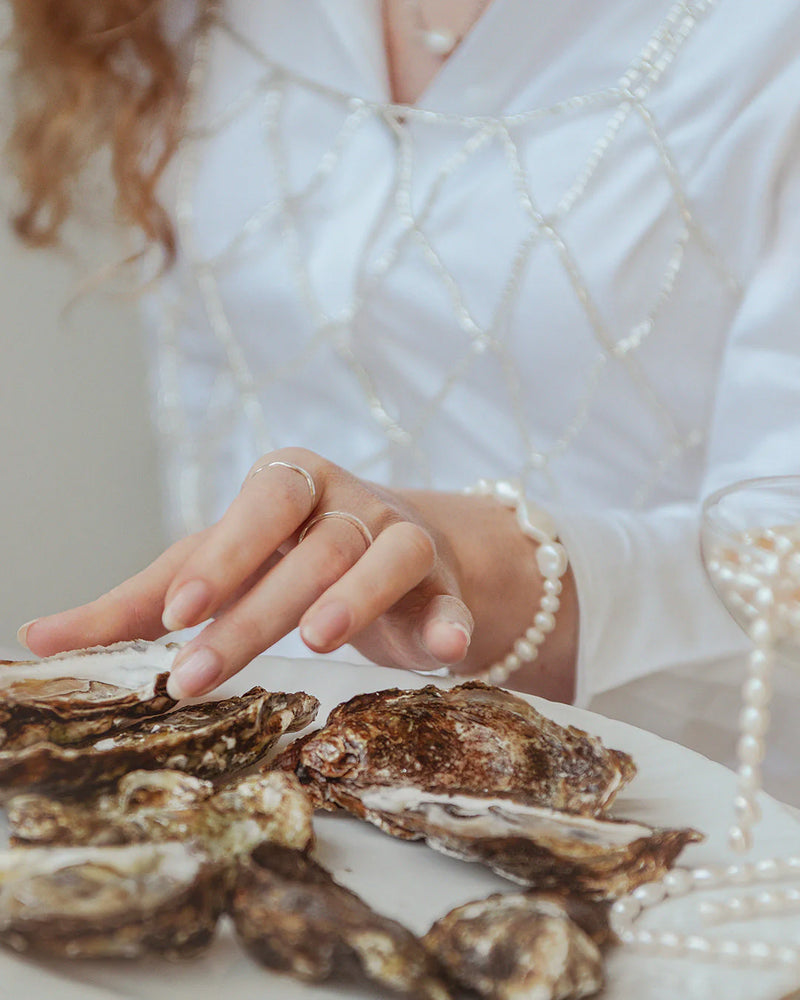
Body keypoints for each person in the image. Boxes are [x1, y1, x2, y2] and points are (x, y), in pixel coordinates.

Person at [7, 0, 800, 806]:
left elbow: (784, 555)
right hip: (259, 777)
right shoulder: (177, 15)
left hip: (678, 828)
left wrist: (504, 573)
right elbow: (220, 400)